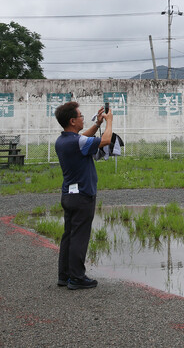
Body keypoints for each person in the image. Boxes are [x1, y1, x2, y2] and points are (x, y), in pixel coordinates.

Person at [54, 102, 113, 290]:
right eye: (80, 116)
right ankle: (77, 278)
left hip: (69, 195)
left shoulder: (63, 141)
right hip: (83, 196)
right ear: (72, 121)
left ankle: (64, 276)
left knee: (69, 236)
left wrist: (97, 124)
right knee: (79, 237)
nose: (82, 118)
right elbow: (105, 141)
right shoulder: (76, 142)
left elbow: (83, 139)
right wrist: (109, 122)